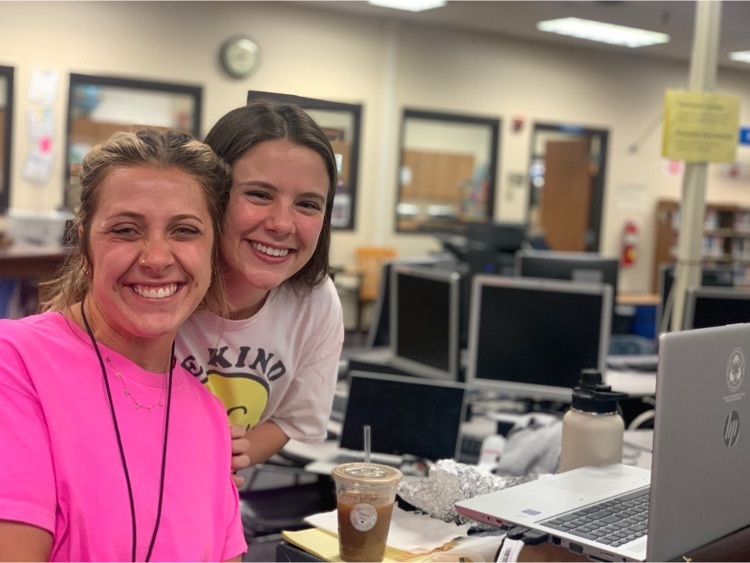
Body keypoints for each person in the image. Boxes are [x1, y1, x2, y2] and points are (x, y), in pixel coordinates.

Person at [0, 129, 246, 561]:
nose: (156, 258)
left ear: (212, 251)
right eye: (126, 230)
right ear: (85, 244)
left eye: (184, 231)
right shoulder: (15, 363)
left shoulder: (209, 417)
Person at [176, 99, 345, 481]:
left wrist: (219, 458)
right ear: (210, 194)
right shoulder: (160, 282)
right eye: (259, 195)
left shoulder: (314, 301)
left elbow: (289, 420)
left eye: (307, 204)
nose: (282, 224)